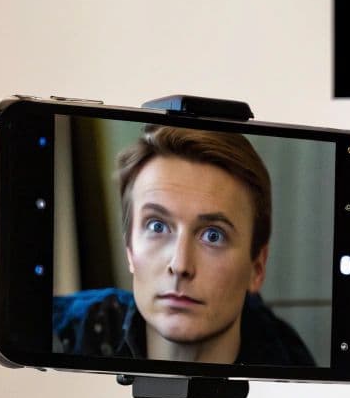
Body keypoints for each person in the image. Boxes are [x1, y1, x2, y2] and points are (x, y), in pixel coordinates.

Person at [53, 125, 315, 365]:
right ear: (129, 250)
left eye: (213, 235)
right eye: (157, 226)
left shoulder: (291, 372)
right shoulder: (62, 330)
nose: (180, 266)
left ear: (256, 268)